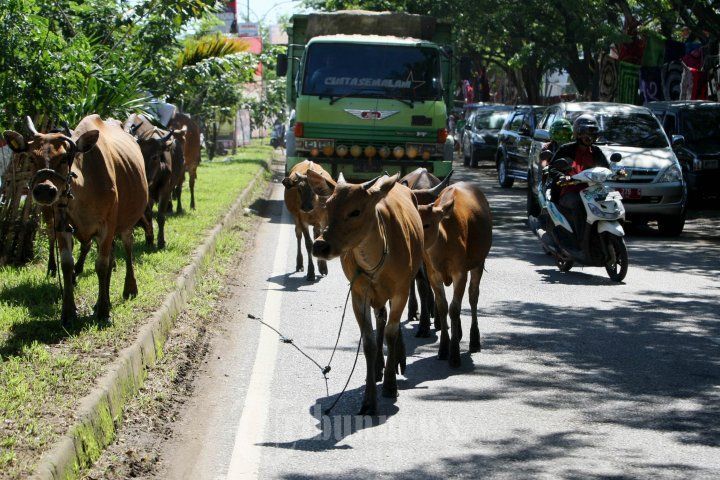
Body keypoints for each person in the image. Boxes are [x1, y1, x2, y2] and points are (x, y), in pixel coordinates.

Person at [548, 114, 609, 245]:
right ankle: (580, 241)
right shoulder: (566, 149)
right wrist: (562, 177)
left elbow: (606, 168)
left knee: (609, 202)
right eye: (585, 133)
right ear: (578, 133)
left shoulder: (596, 151)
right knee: (578, 205)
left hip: (592, 191)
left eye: (592, 133)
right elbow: (552, 168)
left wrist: (615, 173)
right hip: (569, 191)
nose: (589, 137)